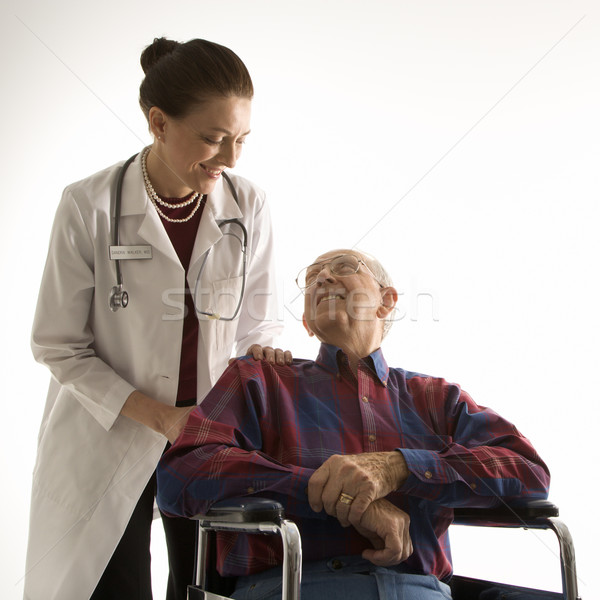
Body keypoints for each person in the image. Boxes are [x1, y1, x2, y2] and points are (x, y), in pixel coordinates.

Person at [25, 37, 291, 600]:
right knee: (110, 586)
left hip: (210, 441)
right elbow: (59, 345)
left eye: (241, 139)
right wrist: (165, 419)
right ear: (158, 122)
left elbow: (259, 323)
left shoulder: (249, 205)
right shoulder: (88, 205)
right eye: (214, 139)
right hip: (109, 433)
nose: (231, 159)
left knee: (206, 587)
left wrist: (266, 356)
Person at [157, 249, 551, 600]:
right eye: (311, 278)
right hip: (290, 586)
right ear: (308, 323)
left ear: (386, 301)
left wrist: (398, 468)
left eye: (343, 267)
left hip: (421, 589)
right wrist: (317, 488)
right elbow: (181, 475)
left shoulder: (436, 397)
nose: (323, 278)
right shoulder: (258, 378)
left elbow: (528, 470)